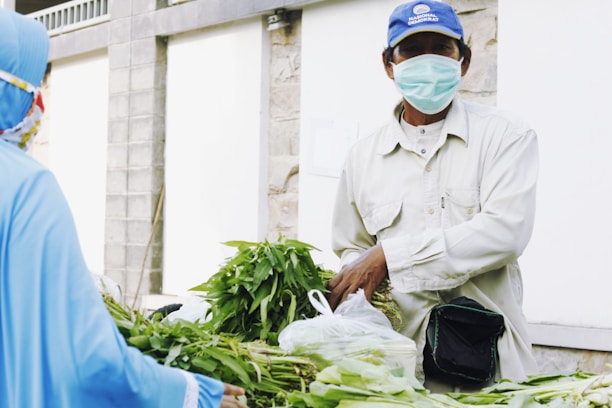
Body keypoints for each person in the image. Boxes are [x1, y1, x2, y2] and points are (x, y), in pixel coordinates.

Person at [0, 9, 246, 408]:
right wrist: (189, 394)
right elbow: (86, 360)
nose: (40, 100)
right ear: (11, 90)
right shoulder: (27, 188)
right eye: (35, 84)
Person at [327, 0, 539, 390]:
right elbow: (351, 251)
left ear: (464, 60)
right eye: (411, 49)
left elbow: (506, 232)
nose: (427, 60)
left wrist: (391, 256)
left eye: (440, 48)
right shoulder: (362, 158)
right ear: (389, 64)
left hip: (494, 374)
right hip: (398, 377)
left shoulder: (505, 136)